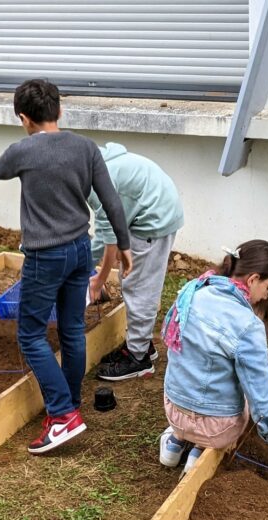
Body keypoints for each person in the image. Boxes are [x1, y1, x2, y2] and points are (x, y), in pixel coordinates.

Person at [0, 78, 133, 454]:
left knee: (31, 335)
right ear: (60, 111)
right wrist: (125, 245)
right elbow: (112, 201)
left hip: (45, 255)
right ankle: (71, 405)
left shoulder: (23, 151)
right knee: (71, 330)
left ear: (24, 118)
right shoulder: (85, 147)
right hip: (80, 249)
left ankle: (63, 415)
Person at [158, 242, 268, 475]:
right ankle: (199, 452)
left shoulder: (195, 289)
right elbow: (259, 393)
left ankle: (174, 445)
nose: (266, 296)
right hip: (217, 428)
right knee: (244, 386)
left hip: (174, 410)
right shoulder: (247, 325)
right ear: (252, 280)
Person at [89, 142, 184, 381]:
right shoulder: (96, 162)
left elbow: (106, 237)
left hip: (152, 219)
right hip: (154, 207)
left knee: (139, 286)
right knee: (133, 279)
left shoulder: (97, 182)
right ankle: (142, 346)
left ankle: (138, 359)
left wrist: (94, 277)